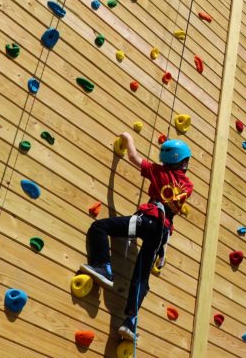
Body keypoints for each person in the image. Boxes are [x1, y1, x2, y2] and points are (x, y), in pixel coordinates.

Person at [81, 134, 194, 343]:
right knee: (141, 277)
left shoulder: (158, 171)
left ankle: (103, 267)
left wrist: (128, 138)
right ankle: (130, 322)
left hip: (148, 221)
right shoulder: (188, 186)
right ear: (184, 161)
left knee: (99, 227)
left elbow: (134, 157)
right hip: (162, 233)